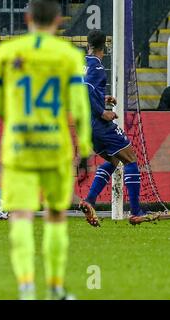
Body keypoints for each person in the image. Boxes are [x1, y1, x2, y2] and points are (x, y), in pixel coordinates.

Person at [0, 0, 92, 300]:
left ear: (27, 18)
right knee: (56, 215)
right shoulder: (69, 55)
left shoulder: (6, 53)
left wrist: (21, 122)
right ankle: (56, 288)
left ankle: (25, 288)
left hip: (19, 147)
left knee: (21, 214)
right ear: (59, 20)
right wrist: (84, 147)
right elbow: (79, 106)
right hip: (55, 148)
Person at [79, 29, 161, 226]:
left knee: (115, 160)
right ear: (104, 47)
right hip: (99, 124)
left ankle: (89, 200)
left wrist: (103, 98)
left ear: (88, 44)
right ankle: (135, 211)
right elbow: (87, 91)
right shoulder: (97, 68)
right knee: (131, 158)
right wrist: (103, 112)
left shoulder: (82, 66)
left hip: (87, 127)